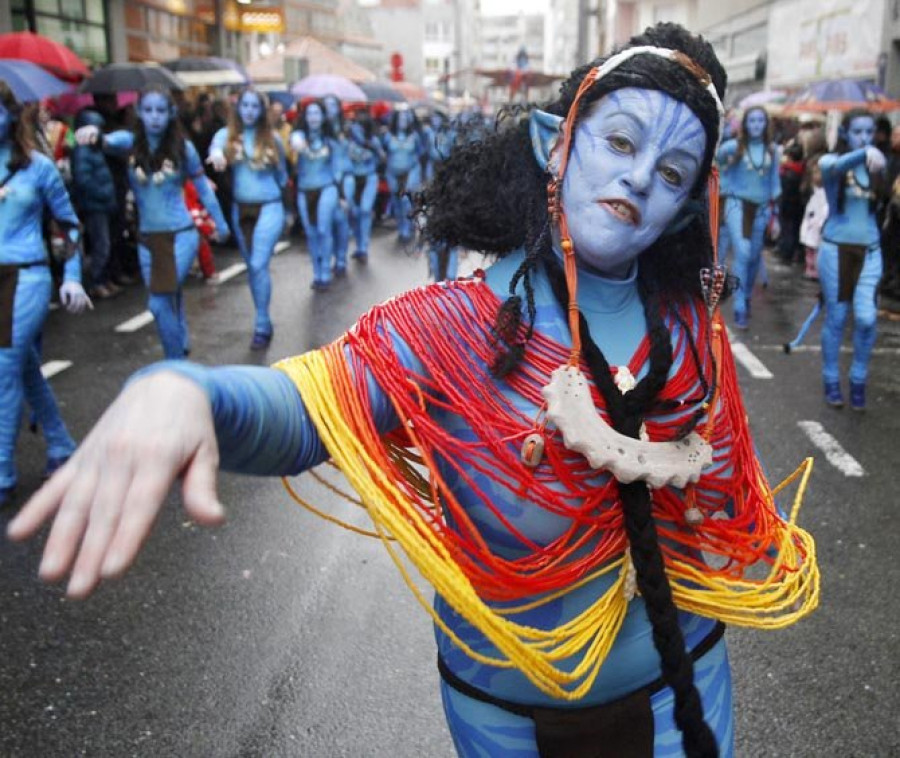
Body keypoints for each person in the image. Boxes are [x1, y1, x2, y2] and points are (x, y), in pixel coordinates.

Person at [8, 24, 819, 757]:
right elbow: (306, 410)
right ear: (555, 143)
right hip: (505, 721)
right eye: (619, 141)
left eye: (673, 171)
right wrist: (192, 391)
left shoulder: (692, 333)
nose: (640, 178)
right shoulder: (443, 331)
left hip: (688, 697)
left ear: (685, 210)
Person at [76, 86, 229, 360]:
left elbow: (204, 188)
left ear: (171, 113)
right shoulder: (130, 141)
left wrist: (221, 223)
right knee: (169, 294)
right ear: (139, 113)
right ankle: (179, 337)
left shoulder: (184, 147)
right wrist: (96, 136)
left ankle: (175, 365)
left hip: (180, 235)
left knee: (158, 303)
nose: (155, 117)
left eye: (161, 110)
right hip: (146, 239)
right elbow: (109, 141)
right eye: (148, 110)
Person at [0, 81, 92, 508]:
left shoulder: (38, 167)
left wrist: (71, 276)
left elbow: (69, 224)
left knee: (4, 366)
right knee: (23, 365)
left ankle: (2, 469)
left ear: (10, 114)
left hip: (28, 277)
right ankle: (60, 443)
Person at [208, 88, 288, 350]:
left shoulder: (273, 138)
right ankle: (262, 315)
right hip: (240, 209)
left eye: (256, 106)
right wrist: (218, 155)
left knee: (258, 263)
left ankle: (262, 323)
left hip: (270, 206)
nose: (250, 111)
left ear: (262, 110)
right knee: (252, 268)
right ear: (238, 109)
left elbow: (283, 175)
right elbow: (215, 147)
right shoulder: (227, 136)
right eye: (246, 106)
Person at [817, 109, 885, 410]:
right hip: (835, 250)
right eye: (858, 131)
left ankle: (858, 379)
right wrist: (865, 152)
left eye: (870, 132)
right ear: (845, 133)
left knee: (867, 318)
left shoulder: (878, 166)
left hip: (870, 250)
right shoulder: (832, 161)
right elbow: (834, 166)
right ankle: (831, 379)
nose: (865, 138)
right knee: (837, 318)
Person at [716, 107, 781, 329]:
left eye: (760, 121)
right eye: (752, 120)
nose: (756, 125)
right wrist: (725, 184)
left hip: (762, 206)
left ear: (765, 124)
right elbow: (716, 161)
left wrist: (776, 215)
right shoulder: (733, 147)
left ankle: (746, 297)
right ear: (745, 124)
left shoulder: (772, 151)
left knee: (753, 257)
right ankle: (739, 305)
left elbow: (775, 183)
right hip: (737, 204)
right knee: (742, 253)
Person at [290, 99, 341, 291]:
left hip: (327, 187)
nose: (313, 117)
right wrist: (298, 142)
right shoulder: (298, 136)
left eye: (317, 113)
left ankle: (326, 272)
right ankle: (316, 272)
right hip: (304, 190)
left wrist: (341, 192)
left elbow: (338, 165)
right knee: (311, 234)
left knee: (323, 230)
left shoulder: (330, 139)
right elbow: (295, 142)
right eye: (309, 113)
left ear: (323, 116)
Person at [71, 108, 119, 299]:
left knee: (104, 243)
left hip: (102, 203)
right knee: (101, 245)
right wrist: (103, 193)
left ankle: (101, 279)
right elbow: (83, 179)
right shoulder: (83, 151)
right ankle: (94, 281)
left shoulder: (94, 149)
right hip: (94, 205)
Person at [343, 110, 384, 262]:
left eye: (361, 125)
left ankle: (363, 248)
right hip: (352, 179)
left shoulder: (373, 141)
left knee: (365, 211)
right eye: (356, 124)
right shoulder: (347, 142)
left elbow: (381, 158)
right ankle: (358, 243)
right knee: (353, 213)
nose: (358, 128)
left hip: (369, 178)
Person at [382, 106, 423, 245]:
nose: (403, 121)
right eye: (400, 119)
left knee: (406, 201)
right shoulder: (388, 136)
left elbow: (420, 153)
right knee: (396, 202)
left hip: (410, 172)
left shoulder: (415, 136)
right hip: (392, 173)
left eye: (405, 119)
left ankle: (407, 228)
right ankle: (401, 228)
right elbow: (383, 153)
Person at [322, 95, 352, 277]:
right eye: (326, 105)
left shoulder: (347, 128)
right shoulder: (318, 130)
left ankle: (341, 258)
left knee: (341, 219)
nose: (329, 108)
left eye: (332, 104)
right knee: (328, 222)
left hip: (346, 178)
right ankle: (330, 259)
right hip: (327, 181)